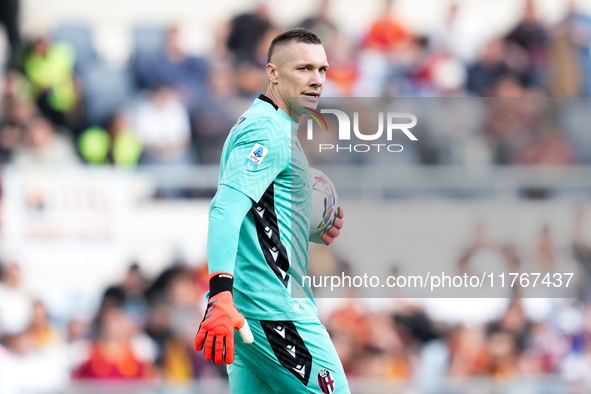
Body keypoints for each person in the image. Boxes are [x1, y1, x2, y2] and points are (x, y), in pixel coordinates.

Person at [194, 28, 349, 393]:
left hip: (253, 312)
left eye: (322, 70)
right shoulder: (268, 132)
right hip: (274, 311)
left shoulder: (267, 124)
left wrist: (304, 223)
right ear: (273, 72)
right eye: (304, 68)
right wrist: (220, 293)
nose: (316, 80)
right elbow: (225, 209)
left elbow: (257, 213)